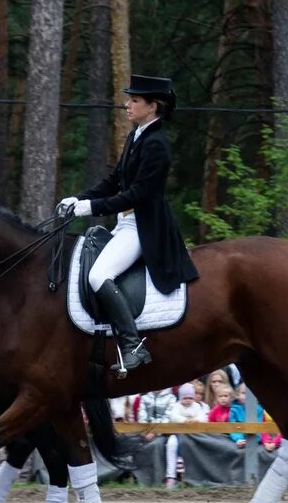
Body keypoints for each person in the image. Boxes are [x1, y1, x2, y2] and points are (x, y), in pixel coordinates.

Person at [56, 74, 199, 375]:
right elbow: (114, 181)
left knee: (98, 275)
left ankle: (133, 345)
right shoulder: (137, 136)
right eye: (129, 99)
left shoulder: (157, 144)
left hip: (144, 227)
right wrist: (78, 199)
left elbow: (138, 194)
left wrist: (90, 208)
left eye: (134, 100)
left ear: (153, 106)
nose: (127, 105)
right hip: (126, 222)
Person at [164, 383, 209, 489]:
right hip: (177, 433)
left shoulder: (197, 406)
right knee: (171, 444)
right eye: (185, 398)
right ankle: (171, 476)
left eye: (190, 398)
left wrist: (196, 420)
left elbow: (204, 418)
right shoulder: (176, 406)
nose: (188, 400)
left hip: (193, 435)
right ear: (180, 398)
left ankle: (189, 474)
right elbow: (173, 416)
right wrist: (185, 421)